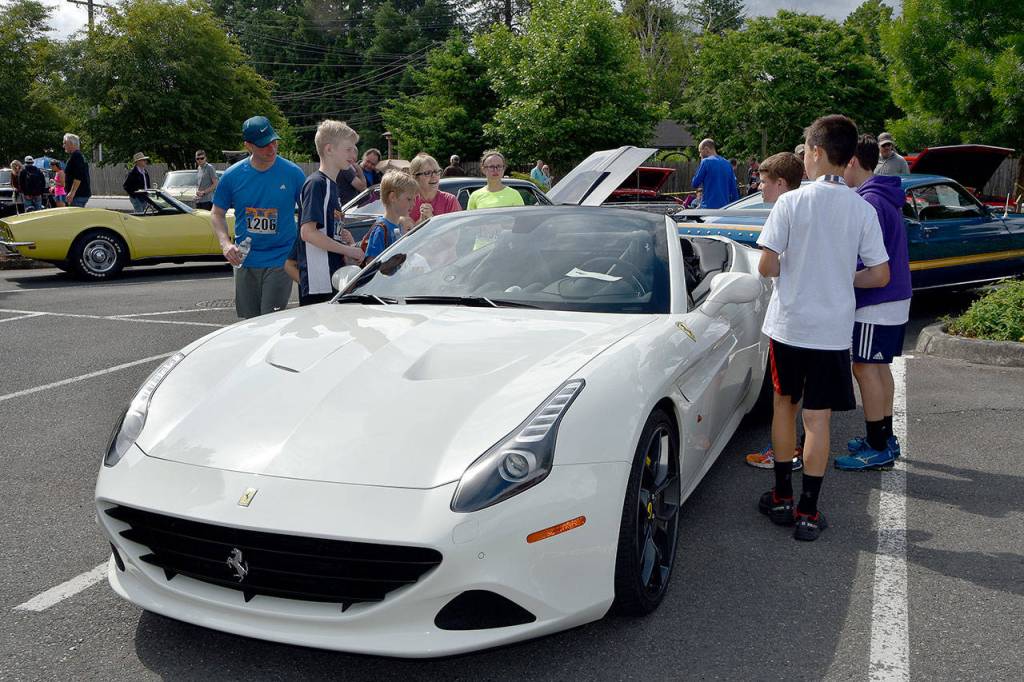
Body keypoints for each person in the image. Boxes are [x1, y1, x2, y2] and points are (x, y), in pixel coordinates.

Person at [755, 114, 890, 542]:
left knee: (784, 408)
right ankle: (809, 512)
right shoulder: (861, 207)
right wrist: (842, 277)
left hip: (790, 326)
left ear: (813, 152)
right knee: (819, 420)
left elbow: (766, 264)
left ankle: (780, 496)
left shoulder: (791, 203)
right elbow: (881, 273)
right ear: (848, 157)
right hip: (832, 331)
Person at [835, 135, 913, 471]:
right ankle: (883, 436)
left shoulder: (869, 202)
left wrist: (839, 276)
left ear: (852, 161)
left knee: (865, 367)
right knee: (878, 368)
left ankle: (878, 445)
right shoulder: (882, 196)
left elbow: (869, 262)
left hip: (877, 299)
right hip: (893, 298)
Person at [743, 151, 809, 471]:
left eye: (764, 181)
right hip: (823, 320)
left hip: (790, 319)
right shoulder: (815, 206)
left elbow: (767, 267)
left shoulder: (784, 209)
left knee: (784, 398)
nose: (758, 187)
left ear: (781, 183)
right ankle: (802, 449)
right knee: (808, 397)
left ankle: (783, 453)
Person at [210, 115, 306, 319]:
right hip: (245, 258)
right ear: (248, 146)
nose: (271, 149)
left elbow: (309, 212)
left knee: (270, 320)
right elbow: (217, 213)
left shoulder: (293, 173)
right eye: (263, 145)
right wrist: (225, 244)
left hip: (281, 258)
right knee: (250, 322)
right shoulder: (232, 176)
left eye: (274, 142)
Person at [297, 120, 366, 306]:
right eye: (348, 149)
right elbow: (308, 232)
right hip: (319, 283)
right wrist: (347, 249)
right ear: (329, 149)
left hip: (332, 277)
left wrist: (343, 238)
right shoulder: (317, 183)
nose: (354, 155)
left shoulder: (331, 185)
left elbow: (325, 231)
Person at [363, 169, 418, 262]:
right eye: (409, 199)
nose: (413, 204)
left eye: (414, 199)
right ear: (392, 197)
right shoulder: (381, 229)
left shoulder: (400, 226)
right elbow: (371, 263)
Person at [409, 153, 461, 225]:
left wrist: (432, 219)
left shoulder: (450, 201)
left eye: (437, 171)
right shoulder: (407, 201)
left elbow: (455, 233)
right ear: (415, 177)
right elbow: (399, 234)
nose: (434, 176)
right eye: (427, 173)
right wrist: (419, 223)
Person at [691, 138, 739, 208]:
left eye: (700, 152)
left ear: (706, 149)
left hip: (708, 208)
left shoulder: (706, 162)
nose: (699, 155)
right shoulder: (727, 164)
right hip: (724, 208)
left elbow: (695, 183)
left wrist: (701, 163)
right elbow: (734, 191)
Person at [63, 133, 91, 208]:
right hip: (79, 194)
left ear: (71, 144)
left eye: (65, 143)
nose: (63, 146)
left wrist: (72, 193)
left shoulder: (77, 156)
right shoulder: (77, 155)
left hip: (78, 195)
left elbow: (78, 176)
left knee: (75, 219)